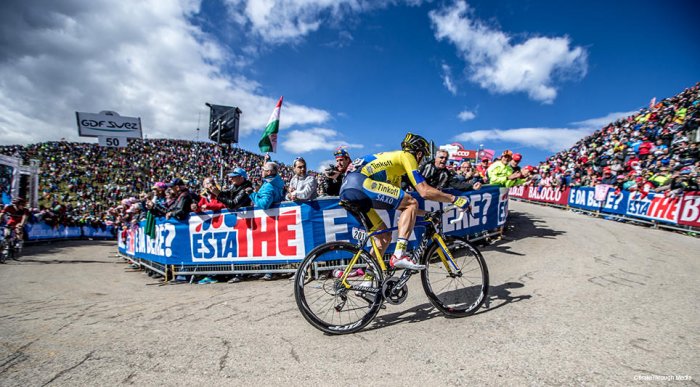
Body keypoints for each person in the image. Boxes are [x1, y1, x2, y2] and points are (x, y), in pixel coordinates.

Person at [339, 132, 471, 270]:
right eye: (423, 156)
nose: (421, 161)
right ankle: (399, 254)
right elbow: (424, 191)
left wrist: (426, 214)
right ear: (419, 154)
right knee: (412, 202)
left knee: (384, 238)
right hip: (360, 183)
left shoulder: (394, 171)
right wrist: (455, 199)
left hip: (347, 189)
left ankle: (368, 279)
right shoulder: (406, 156)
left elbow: (401, 206)